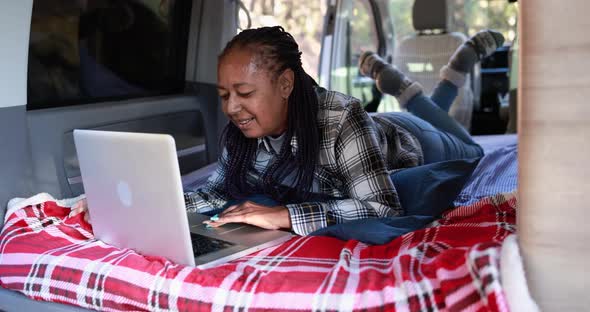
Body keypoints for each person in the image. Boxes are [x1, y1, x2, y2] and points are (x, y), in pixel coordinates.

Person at [72, 26, 504, 236]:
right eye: (224, 94)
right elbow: (216, 191)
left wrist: (285, 215)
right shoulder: (244, 132)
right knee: (434, 111)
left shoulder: (339, 117)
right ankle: (401, 85)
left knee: (465, 142)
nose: (232, 107)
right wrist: (145, 203)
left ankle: (442, 72)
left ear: (285, 84)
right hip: (378, 132)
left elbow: (383, 207)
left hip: (410, 137)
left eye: (243, 92)